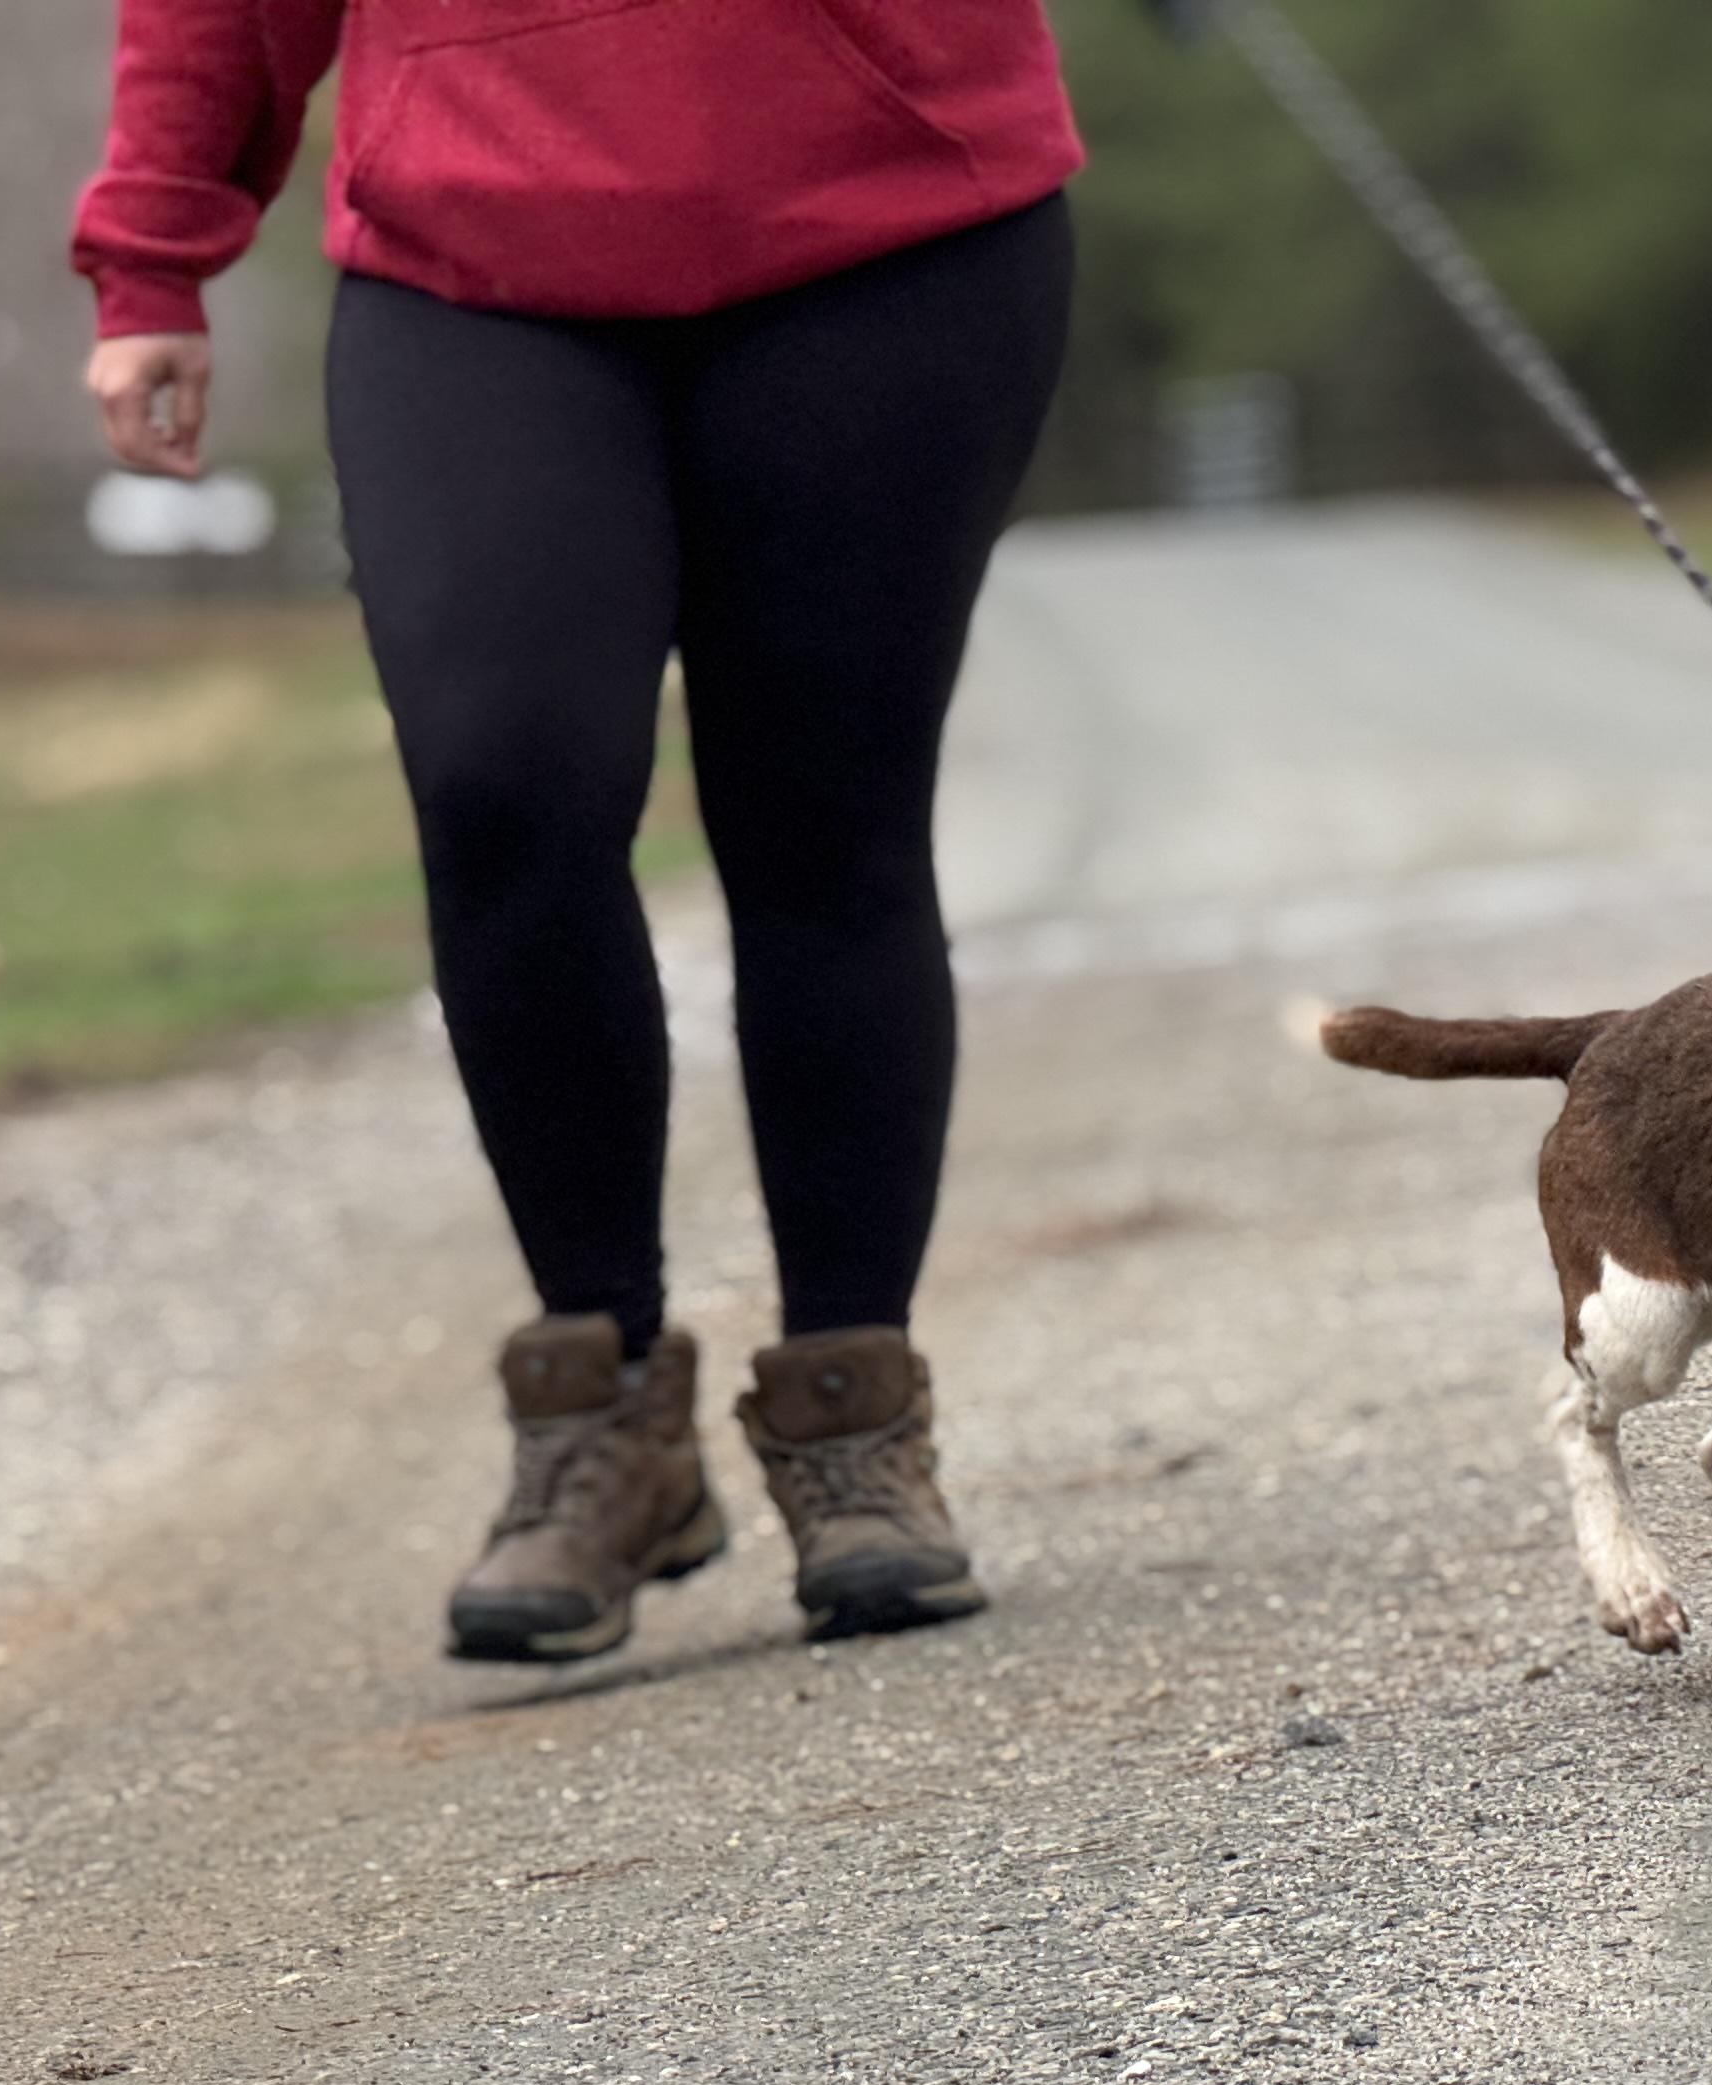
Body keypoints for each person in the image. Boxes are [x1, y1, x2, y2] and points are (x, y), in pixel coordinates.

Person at [75, 2, 1082, 1660]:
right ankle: (600, 1419)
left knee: (824, 812)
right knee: (502, 782)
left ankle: (855, 1418)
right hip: (471, 246)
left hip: (892, 216)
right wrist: (154, 248)